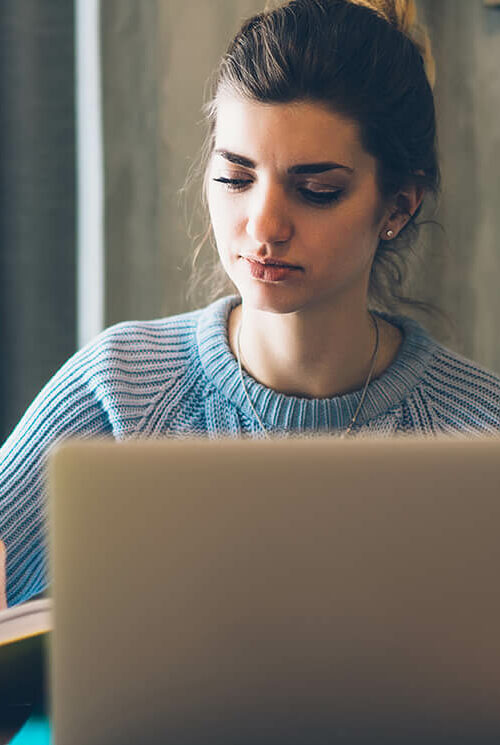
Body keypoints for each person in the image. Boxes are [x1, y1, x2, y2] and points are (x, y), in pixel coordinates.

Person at [1, 0, 500, 608]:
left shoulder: (481, 434)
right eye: (235, 178)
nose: (262, 226)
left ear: (398, 207)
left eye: (317, 191)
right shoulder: (120, 388)